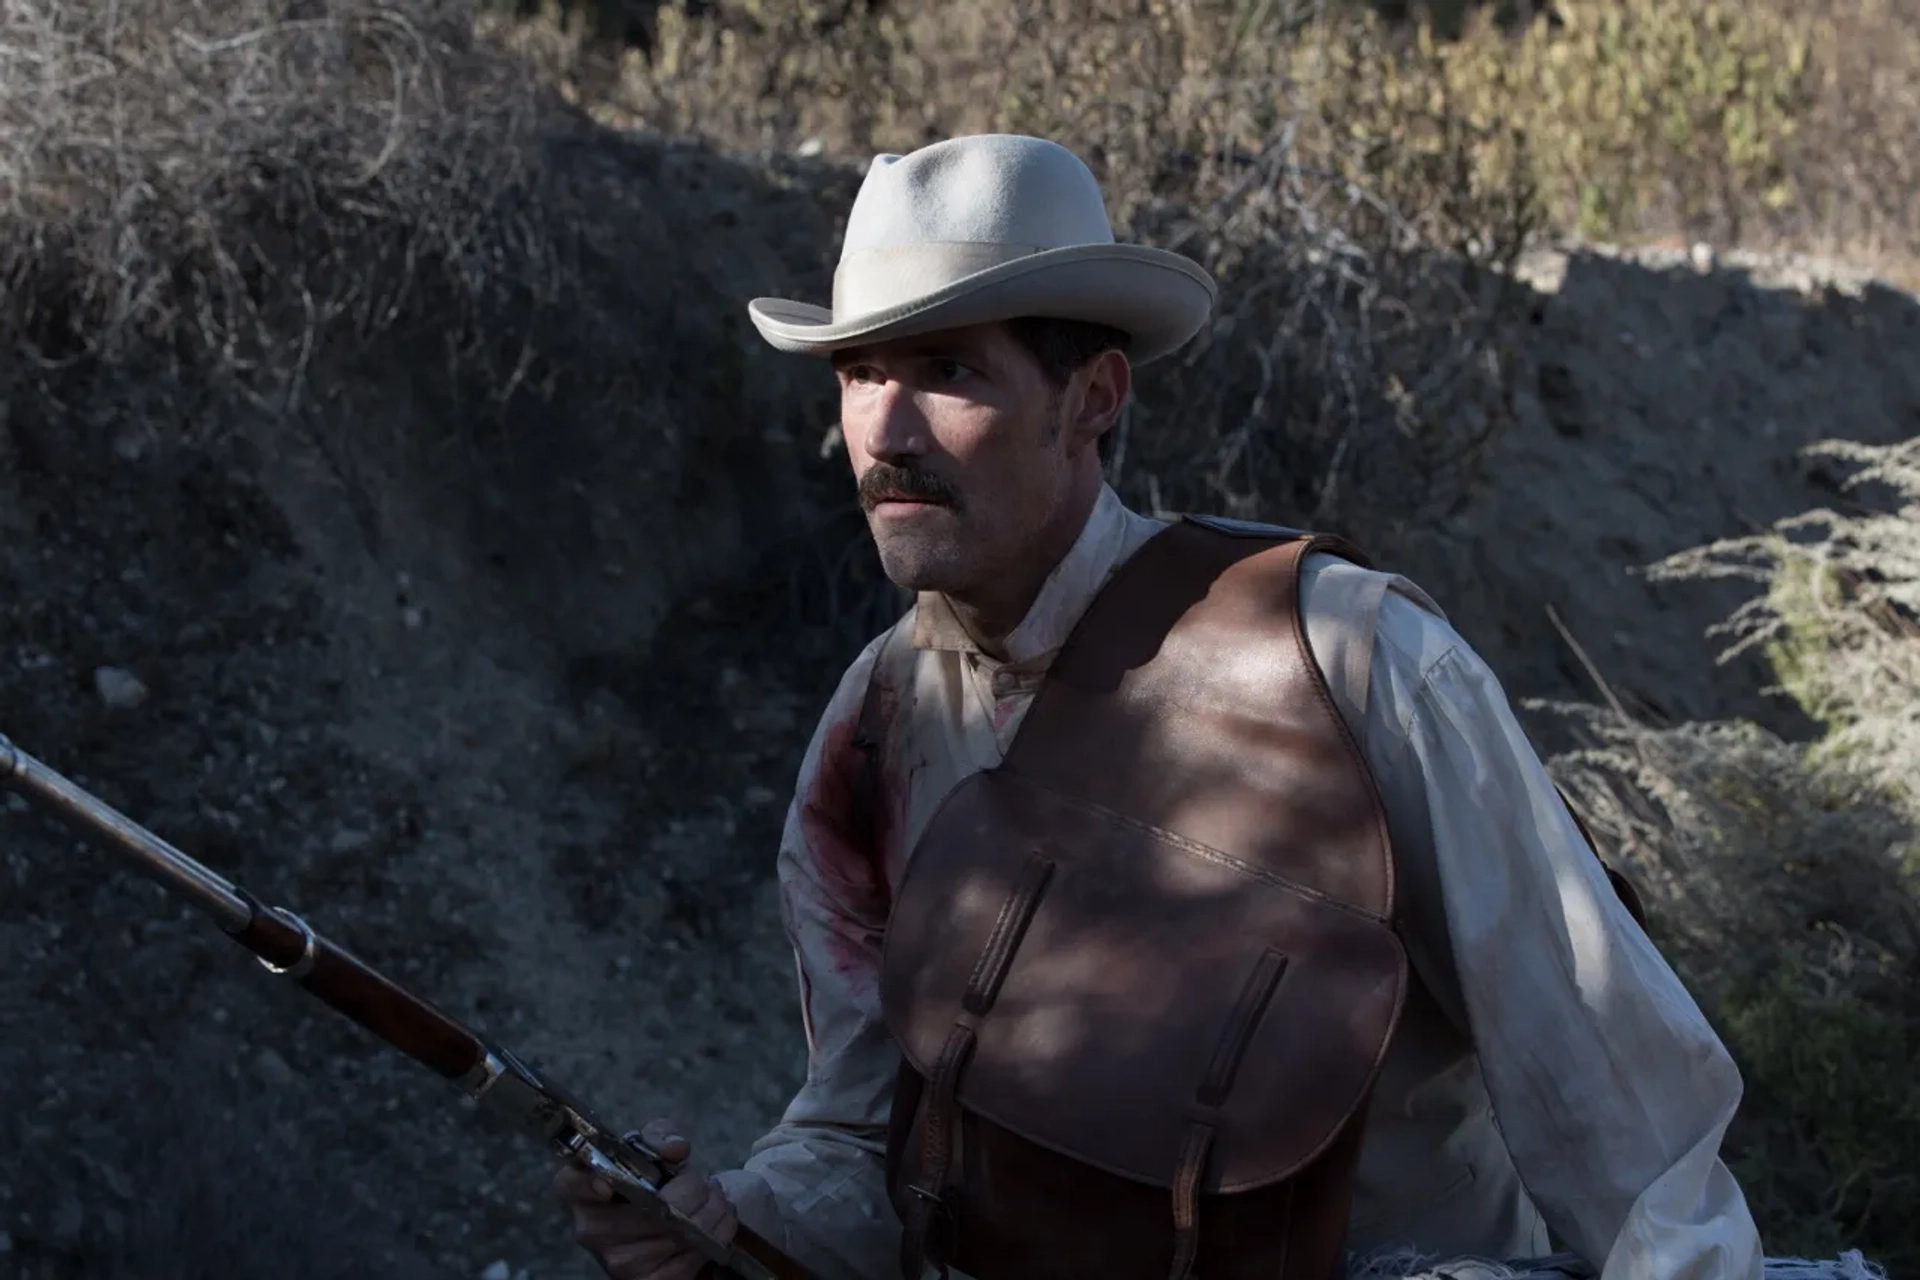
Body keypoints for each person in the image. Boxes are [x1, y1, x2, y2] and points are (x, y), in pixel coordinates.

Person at [553, 134, 1766, 1280]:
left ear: (1092, 398)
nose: (886, 427)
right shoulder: (876, 722)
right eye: (861, 372)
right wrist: (731, 1221)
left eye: (948, 370)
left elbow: (1637, 1142)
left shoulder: (1356, 661)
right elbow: (868, 1134)